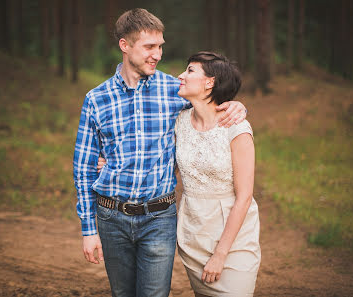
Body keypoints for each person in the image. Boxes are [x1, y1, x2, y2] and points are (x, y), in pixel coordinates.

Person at [72, 8, 248, 297]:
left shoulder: (175, 90)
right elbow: (83, 169)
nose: (157, 54)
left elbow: (211, 109)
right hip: (111, 217)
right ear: (125, 46)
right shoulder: (96, 99)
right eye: (149, 47)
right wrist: (88, 230)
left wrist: (237, 105)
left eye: (160, 46)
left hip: (159, 217)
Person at [174, 52, 261, 297]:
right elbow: (161, 165)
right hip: (193, 232)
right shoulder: (180, 121)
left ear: (210, 82)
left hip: (232, 237)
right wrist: (112, 163)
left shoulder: (236, 127)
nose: (181, 75)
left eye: (190, 70)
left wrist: (221, 254)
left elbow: (244, 197)